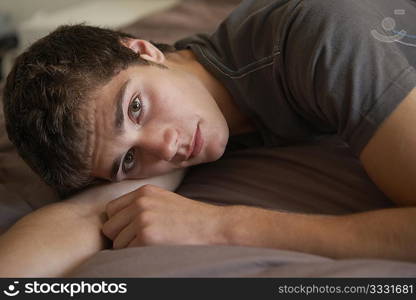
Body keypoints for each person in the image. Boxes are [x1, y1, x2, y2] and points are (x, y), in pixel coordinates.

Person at [2, 0, 416, 276]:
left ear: (145, 50)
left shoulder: (323, 40)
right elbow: (84, 217)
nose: (163, 147)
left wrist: (223, 226)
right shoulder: (182, 113)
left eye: (134, 108)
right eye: (128, 160)